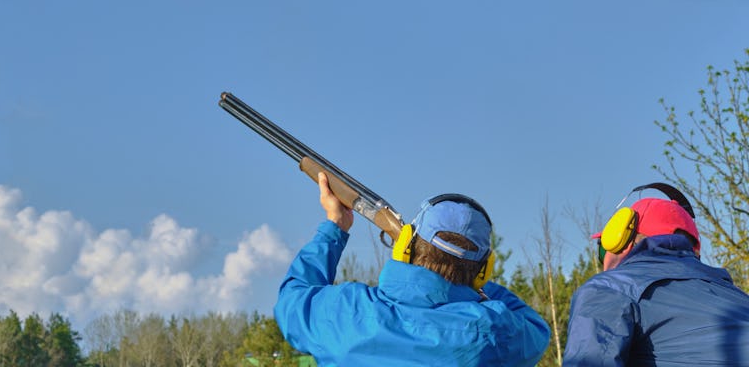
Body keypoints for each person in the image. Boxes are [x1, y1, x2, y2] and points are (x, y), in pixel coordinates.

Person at [274, 173, 550, 366]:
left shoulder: (345, 313)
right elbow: (537, 328)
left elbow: (292, 299)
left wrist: (335, 225)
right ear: (484, 269)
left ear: (405, 244)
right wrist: (474, 285)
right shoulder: (495, 331)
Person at [563, 189, 749, 366]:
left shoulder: (609, 288)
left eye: (604, 248)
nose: (604, 260)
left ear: (621, 240)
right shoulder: (740, 299)